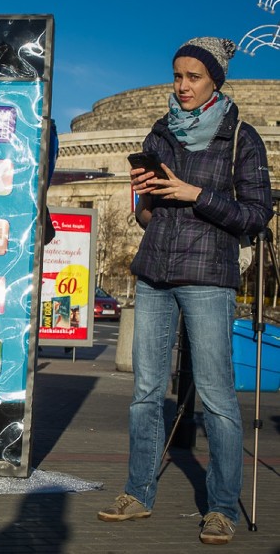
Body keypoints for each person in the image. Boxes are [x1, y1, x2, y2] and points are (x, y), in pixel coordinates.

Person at [96, 37, 273, 545]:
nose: (182, 85)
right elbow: (145, 211)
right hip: (154, 272)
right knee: (145, 394)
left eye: (193, 76)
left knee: (217, 398)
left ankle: (220, 508)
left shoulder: (241, 137)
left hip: (207, 276)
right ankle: (137, 493)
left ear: (215, 79)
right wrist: (146, 199)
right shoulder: (160, 132)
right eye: (177, 75)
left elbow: (258, 214)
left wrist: (197, 195)